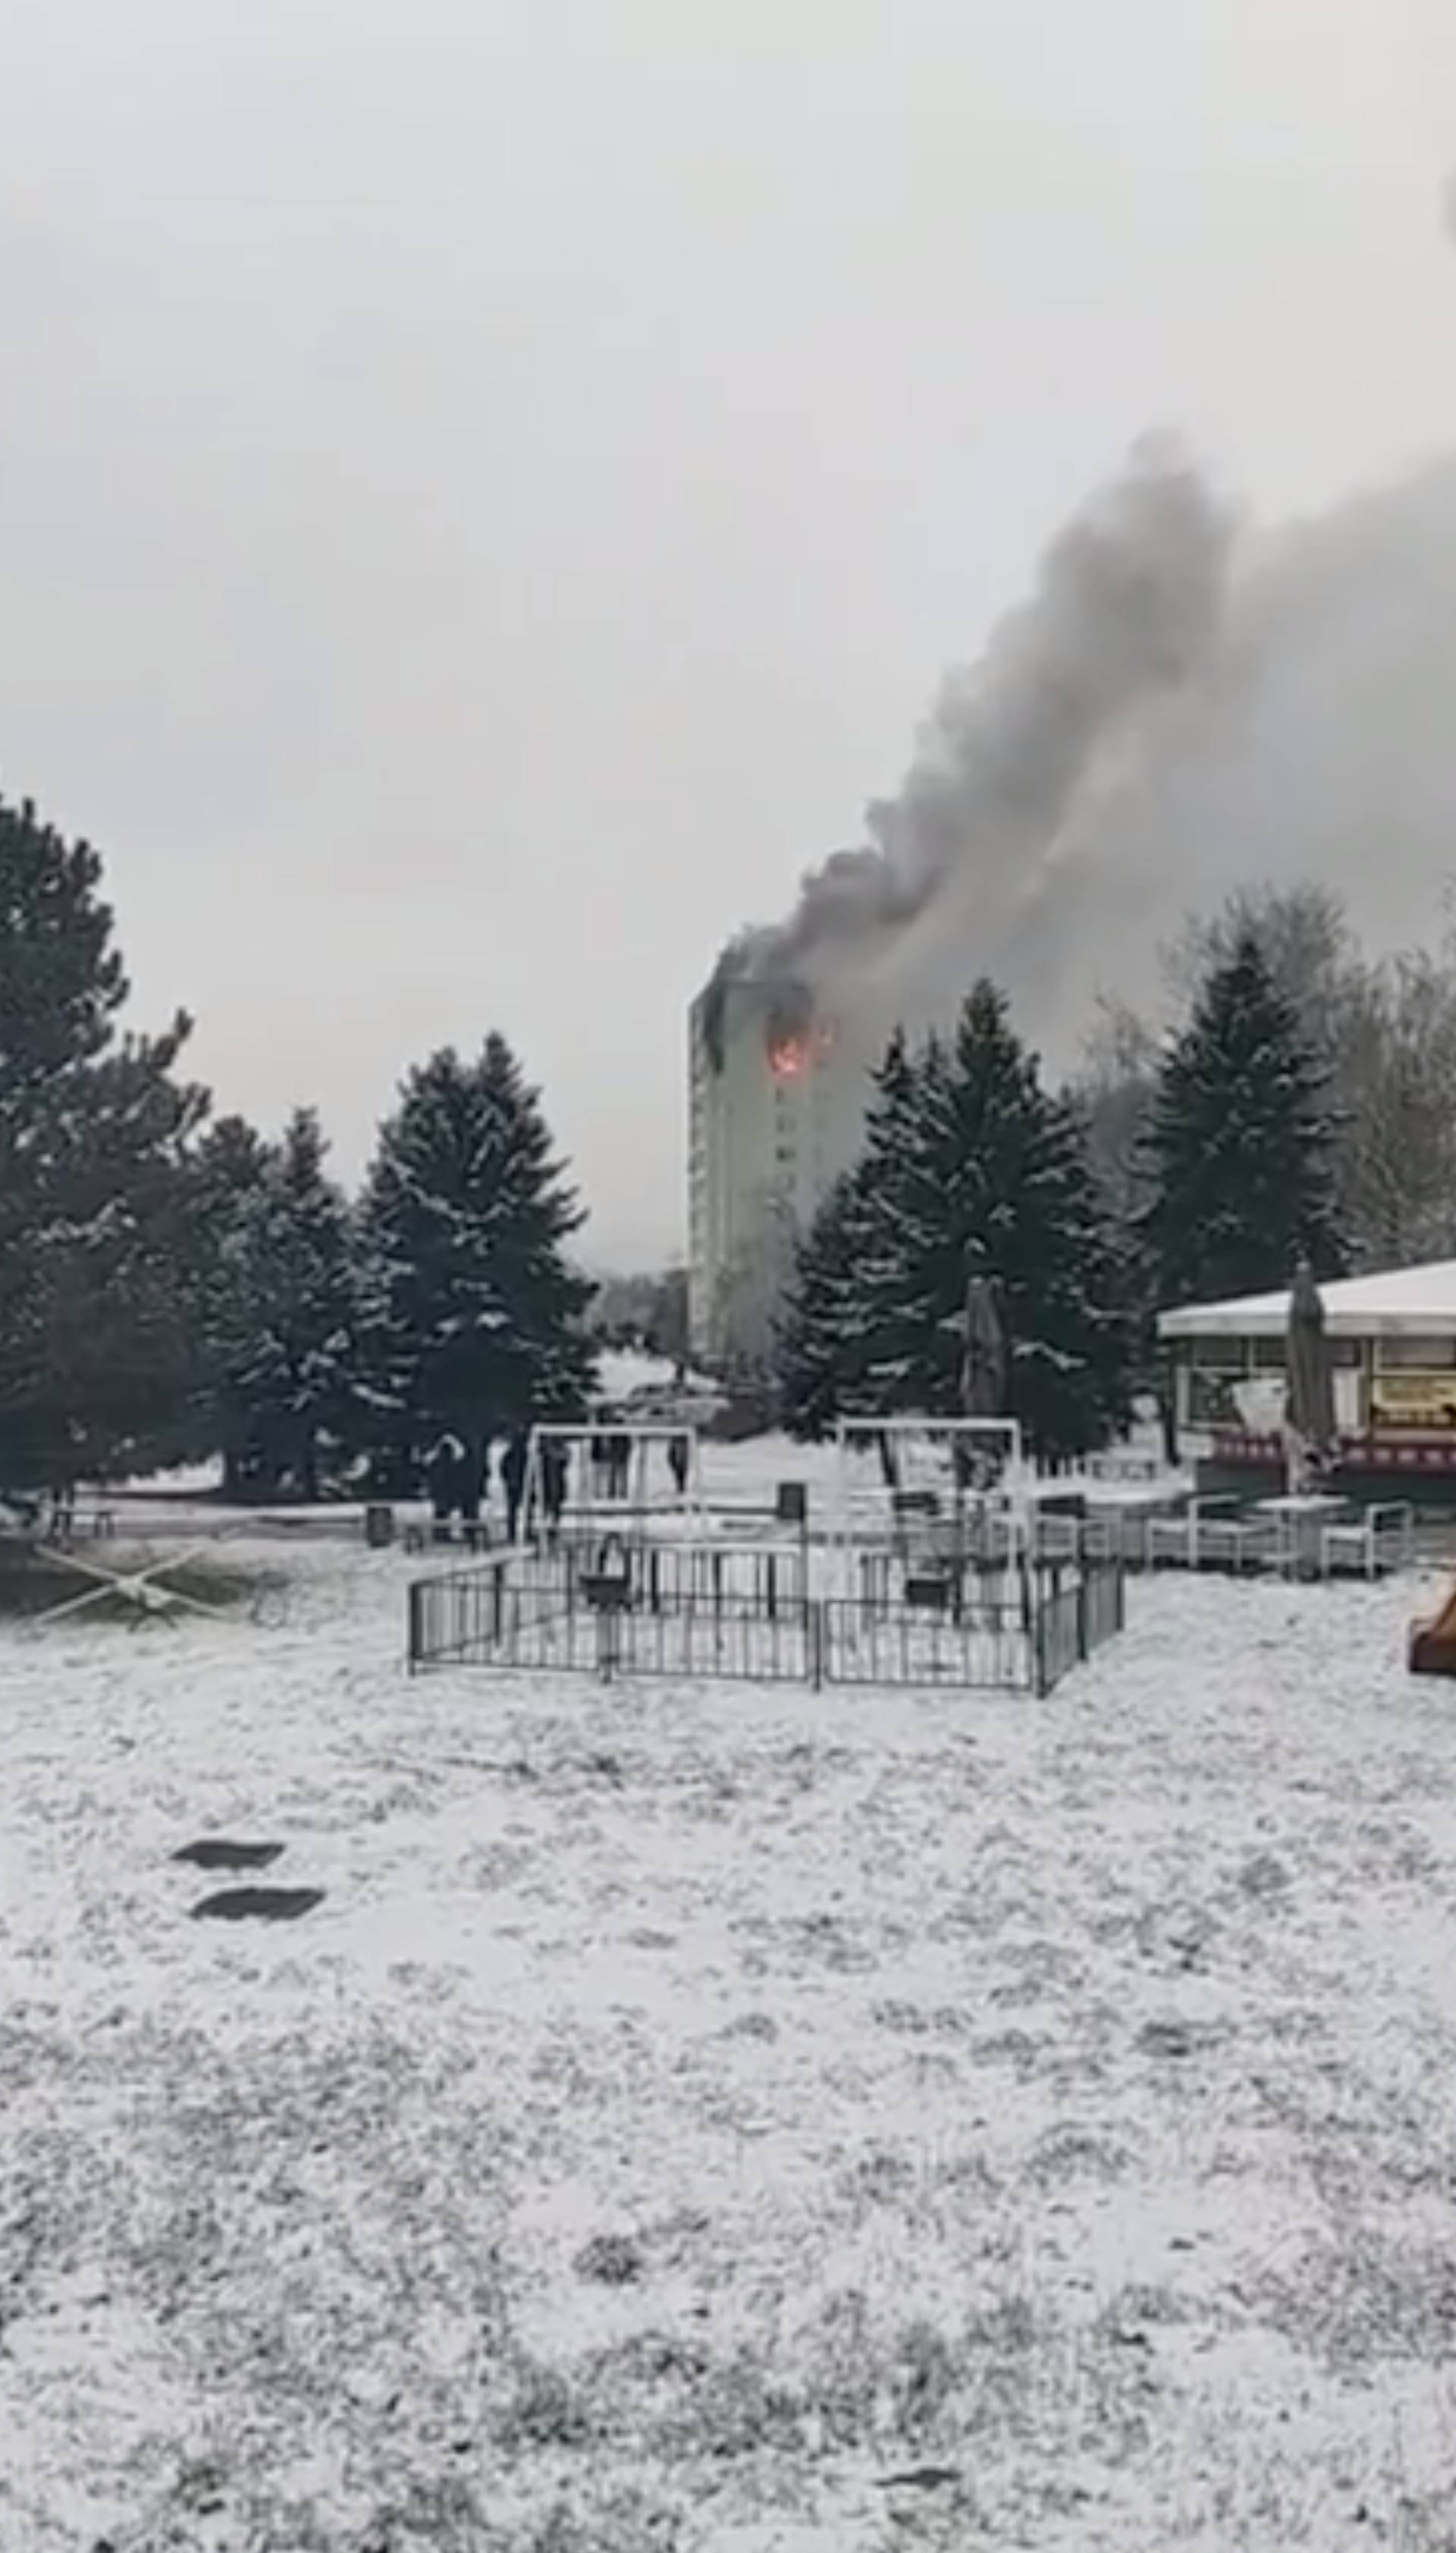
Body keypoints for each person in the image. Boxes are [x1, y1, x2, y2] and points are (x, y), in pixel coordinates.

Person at [501, 1432, 530, 1544]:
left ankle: (521, 1532)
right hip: (515, 1486)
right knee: (515, 1511)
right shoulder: (512, 1456)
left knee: (521, 1510)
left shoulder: (524, 1456)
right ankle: (514, 1532)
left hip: (521, 1485)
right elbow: (503, 1468)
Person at [667, 1433, 690, 1499]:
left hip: (681, 1437)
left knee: (680, 1462)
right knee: (673, 1460)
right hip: (676, 1437)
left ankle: (681, 1487)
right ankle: (680, 1486)